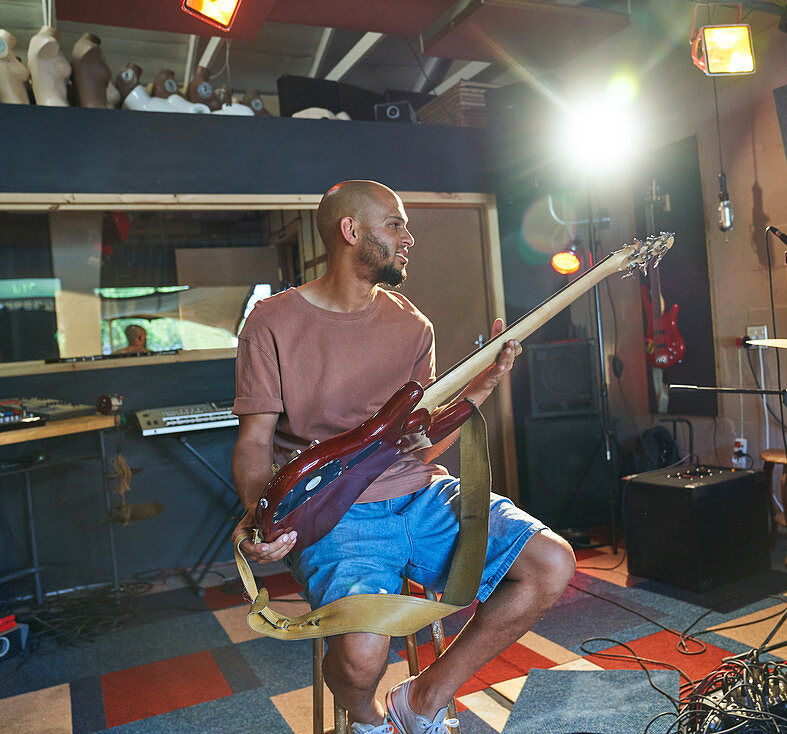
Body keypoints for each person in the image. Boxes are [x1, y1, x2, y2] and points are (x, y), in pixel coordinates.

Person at [231, 180, 575, 734]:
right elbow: (252, 442)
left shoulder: (413, 325)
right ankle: (369, 721)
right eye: (395, 224)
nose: (408, 237)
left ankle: (422, 699)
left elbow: (419, 445)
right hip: (334, 515)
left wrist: (482, 387)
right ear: (351, 231)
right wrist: (260, 513)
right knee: (365, 655)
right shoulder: (271, 322)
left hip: (422, 495)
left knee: (551, 563)